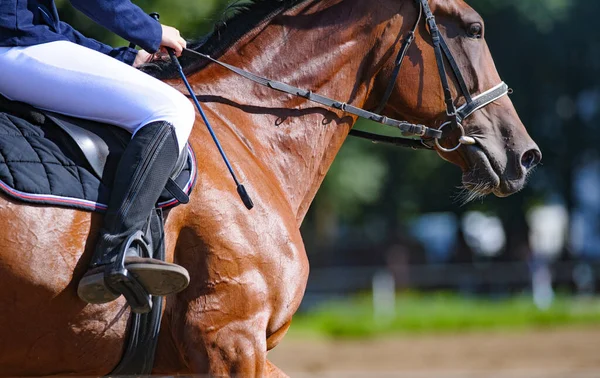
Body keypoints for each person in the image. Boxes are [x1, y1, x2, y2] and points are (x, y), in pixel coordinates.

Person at [0, 0, 196, 307]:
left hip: (16, 43)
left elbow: (39, 25)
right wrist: (151, 30)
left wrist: (125, 56)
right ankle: (117, 250)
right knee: (172, 109)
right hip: (10, 48)